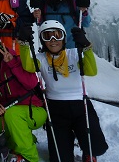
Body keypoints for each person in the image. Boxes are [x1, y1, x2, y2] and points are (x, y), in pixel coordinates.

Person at [19, 21, 108, 162]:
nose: (53, 41)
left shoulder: (74, 54)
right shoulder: (41, 58)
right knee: (60, 159)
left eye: (57, 35)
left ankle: (87, 150)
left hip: (80, 105)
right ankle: (67, 144)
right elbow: (28, 66)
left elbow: (91, 71)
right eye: (47, 36)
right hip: (56, 109)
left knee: (97, 147)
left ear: (64, 38)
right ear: (42, 40)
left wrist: (86, 47)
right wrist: (23, 44)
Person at [0, 28, 46, 162]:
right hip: (10, 114)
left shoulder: (15, 58)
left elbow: (31, 83)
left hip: (34, 110)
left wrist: (12, 63)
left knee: (13, 114)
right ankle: (25, 140)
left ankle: (30, 157)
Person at [26, 0, 94, 48]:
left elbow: (86, 23)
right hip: (51, 49)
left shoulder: (74, 0)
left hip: (72, 48)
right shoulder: (44, 2)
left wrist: (83, 11)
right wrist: (37, 17)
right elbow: (42, 25)